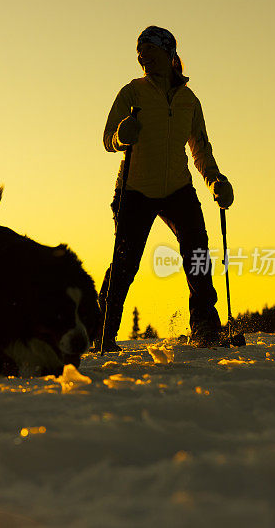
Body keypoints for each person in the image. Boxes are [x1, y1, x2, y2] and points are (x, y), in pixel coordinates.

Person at [98, 26, 234, 350]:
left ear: (169, 54)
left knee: (197, 254)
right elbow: (108, 140)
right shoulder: (132, 93)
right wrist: (121, 135)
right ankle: (101, 332)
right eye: (140, 52)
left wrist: (216, 180)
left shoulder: (189, 100)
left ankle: (205, 328)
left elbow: (200, 147)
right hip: (135, 188)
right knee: (124, 262)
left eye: (149, 51)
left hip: (178, 189)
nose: (143, 57)